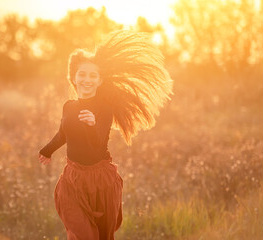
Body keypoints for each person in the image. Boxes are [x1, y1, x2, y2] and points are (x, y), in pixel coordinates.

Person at [38, 30, 173, 240]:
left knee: (103, 236)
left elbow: (99, 142)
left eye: (93, 76)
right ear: (73, 77)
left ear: (100, 81)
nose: (86, 80)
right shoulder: (68, 106)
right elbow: (63, 134)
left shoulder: (104, 109)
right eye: (82, 74)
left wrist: (92, 124)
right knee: (82, 235)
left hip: (101, 182)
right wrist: (47, 151)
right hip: (73, 181)